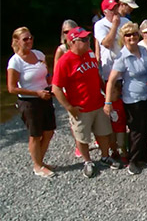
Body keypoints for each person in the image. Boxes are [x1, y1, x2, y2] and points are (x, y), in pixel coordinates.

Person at [52, 27, 123, 178]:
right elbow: (56, 88)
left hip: (98, 102)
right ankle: (87, 161)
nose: (88, 41)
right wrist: (69, 107)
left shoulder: (90, 54)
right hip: (81, 107)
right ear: (72, 42)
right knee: (82, 137)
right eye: (83, 40)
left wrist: (107, 93)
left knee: (103, 132)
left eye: (88, 38)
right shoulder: (65, 61)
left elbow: (96, 75)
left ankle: (105, 156)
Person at [103, 22, 147, 175]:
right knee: (136, 130)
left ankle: (143, 155)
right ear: (123, 38)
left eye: (134, 34)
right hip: (133, 98)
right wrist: (108, 102)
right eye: (128, 35)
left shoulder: (143, 50)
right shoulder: (122, 56)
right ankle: (133, 160)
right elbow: (112, 80)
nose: (132, 37)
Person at [7, 27, 57, 177]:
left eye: (30, 38)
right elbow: (12, 88)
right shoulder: (15, 62)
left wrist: (51, 85)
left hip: (45, 97)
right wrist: (36, 93)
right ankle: (37, 166)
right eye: (25, 39)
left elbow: (46, 73)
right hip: (29, 102)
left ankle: (39, 161)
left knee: (49, 131)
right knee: (35, 134)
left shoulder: (39, 54)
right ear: (17, 41)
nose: (29, 41)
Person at [94, 0, 131, 81]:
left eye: (115, 8)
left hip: (127, 66)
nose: (115, 12)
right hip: (111, 68)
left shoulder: (126, 21)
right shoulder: (100, 25)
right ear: (105, 12)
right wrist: (115, 25)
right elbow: (107, 44)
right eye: (111, 10)